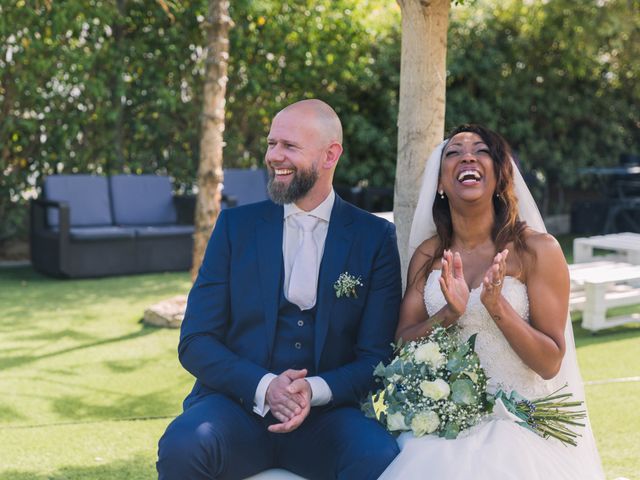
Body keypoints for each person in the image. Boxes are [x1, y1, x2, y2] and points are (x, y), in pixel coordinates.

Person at [156, 99, 402, 480]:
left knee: (378, 455)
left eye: (289, 146)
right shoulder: (235, 228)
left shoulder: (375, 239)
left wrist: (313, 390)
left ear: (329, 155)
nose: (274, 156)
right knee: (184, 444)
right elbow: (196, 341)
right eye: (271, 144)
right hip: (235, 408)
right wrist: (266, 386)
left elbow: (375, 357)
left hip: (326, 417)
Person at [379, 124, 604, 479]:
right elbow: (401, 343)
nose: (467, 155)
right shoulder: (427, 256)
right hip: (445, 429)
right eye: (453, 152)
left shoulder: (537, 251)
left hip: (522, 424)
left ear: (500, 176)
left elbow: (549, 363)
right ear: (439, 183)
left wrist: (497, 307)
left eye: (481, 150)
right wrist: (448, 314)